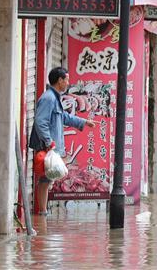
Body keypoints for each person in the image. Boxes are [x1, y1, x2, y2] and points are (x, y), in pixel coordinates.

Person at [29, 67, 95, 215]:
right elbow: (40, 122)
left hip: (51, 145)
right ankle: (42, 213)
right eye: (66, 79)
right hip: (47, 146)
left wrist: (83, 122)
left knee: (48, 178)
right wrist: (48, 142)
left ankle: (43, 212)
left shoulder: (54, 97)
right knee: (45, 179)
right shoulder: (48, 98)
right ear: (60, 80)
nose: (68, 82)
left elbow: (64, 117)